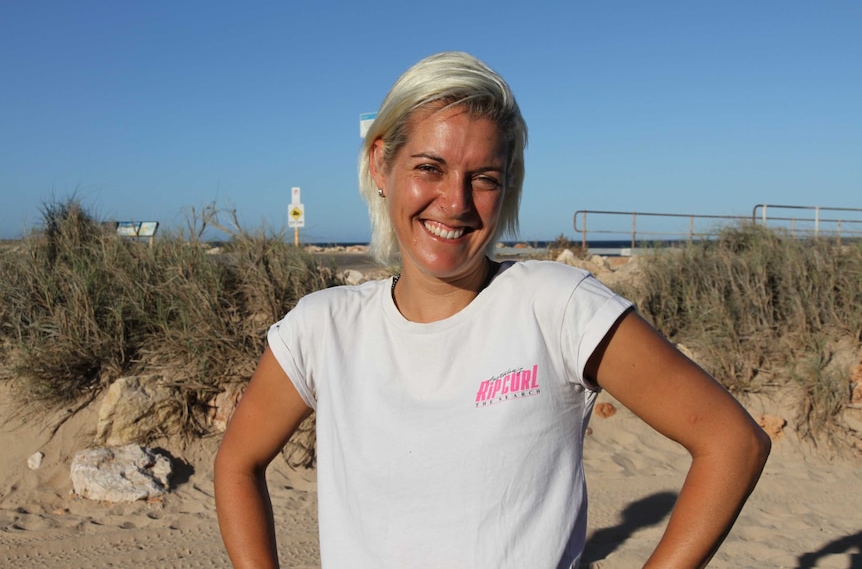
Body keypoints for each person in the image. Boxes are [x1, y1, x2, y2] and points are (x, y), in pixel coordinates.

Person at [214, 51, 770, 569]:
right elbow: (237, 463)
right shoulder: (323, 327)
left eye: (483, 179)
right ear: (381, 164)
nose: (455, 203)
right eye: (429, 168)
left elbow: (732, 443)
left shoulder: (556, 307)